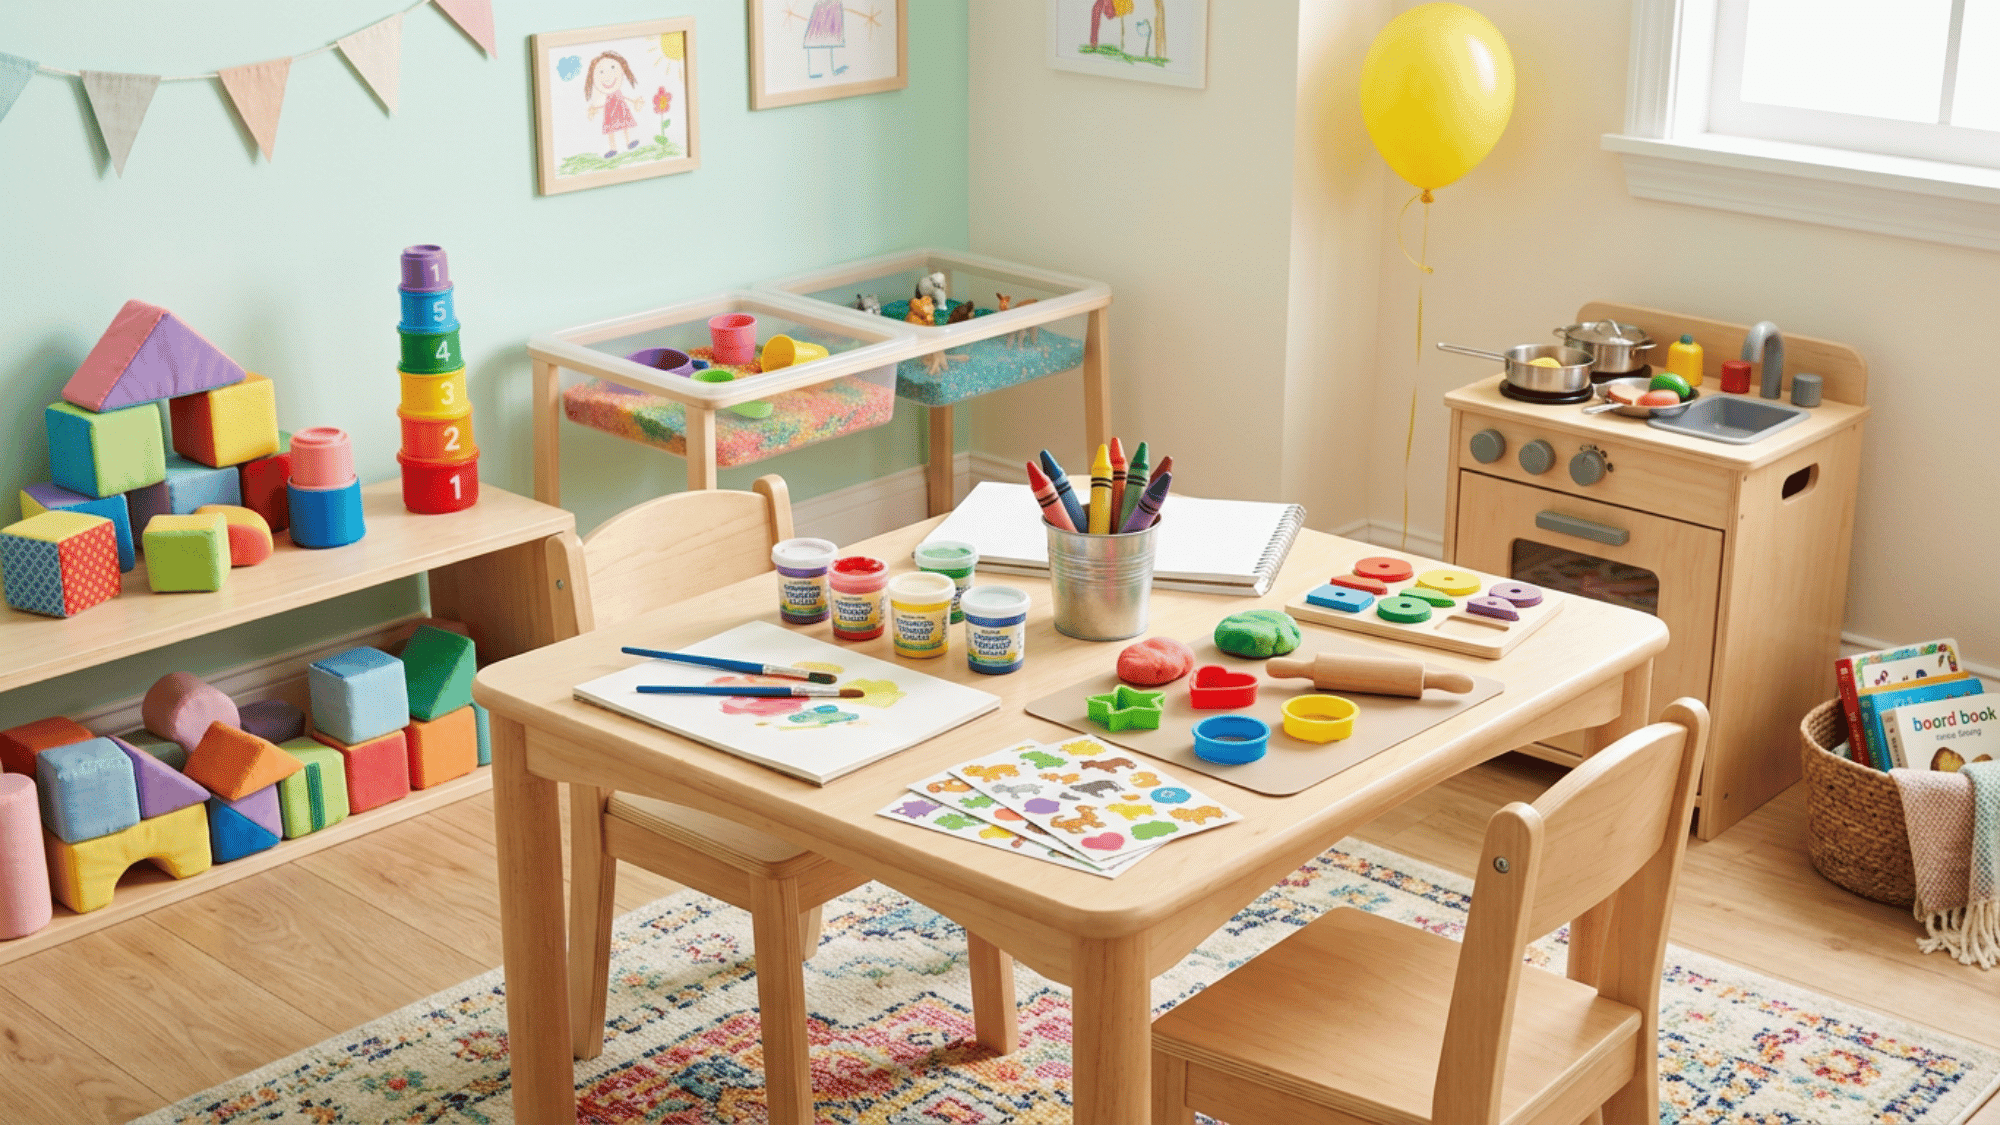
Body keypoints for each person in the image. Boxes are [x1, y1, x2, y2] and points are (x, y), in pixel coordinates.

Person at [583, 51, 641, 158]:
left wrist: (634, 101)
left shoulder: (617, 93)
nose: (608, 75)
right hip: (610, 113)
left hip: (621, 110)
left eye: (613, 67)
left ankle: (629, 143)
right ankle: (613, 149)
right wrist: (594, 108)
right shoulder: (607, 96)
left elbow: (624, 98)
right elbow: (604, 104)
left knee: (625, 126)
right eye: (601, 72)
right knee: (611, 131)